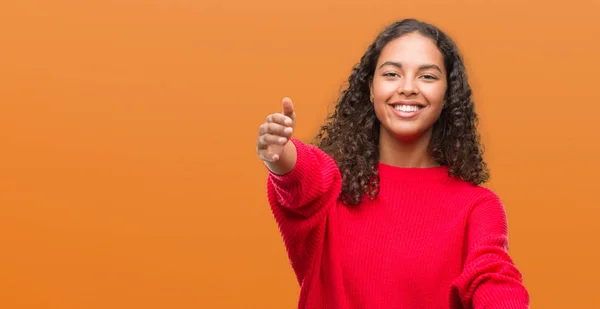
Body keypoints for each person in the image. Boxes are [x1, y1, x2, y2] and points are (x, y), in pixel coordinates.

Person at [255, 18, 529, 309]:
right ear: (371, 88)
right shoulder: (332, 190)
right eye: (391, 74)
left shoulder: (477, 206)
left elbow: (493, 275)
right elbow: (304, 177)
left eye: (427, 77)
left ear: (448, 96)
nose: (408, 87)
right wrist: (279, 153)